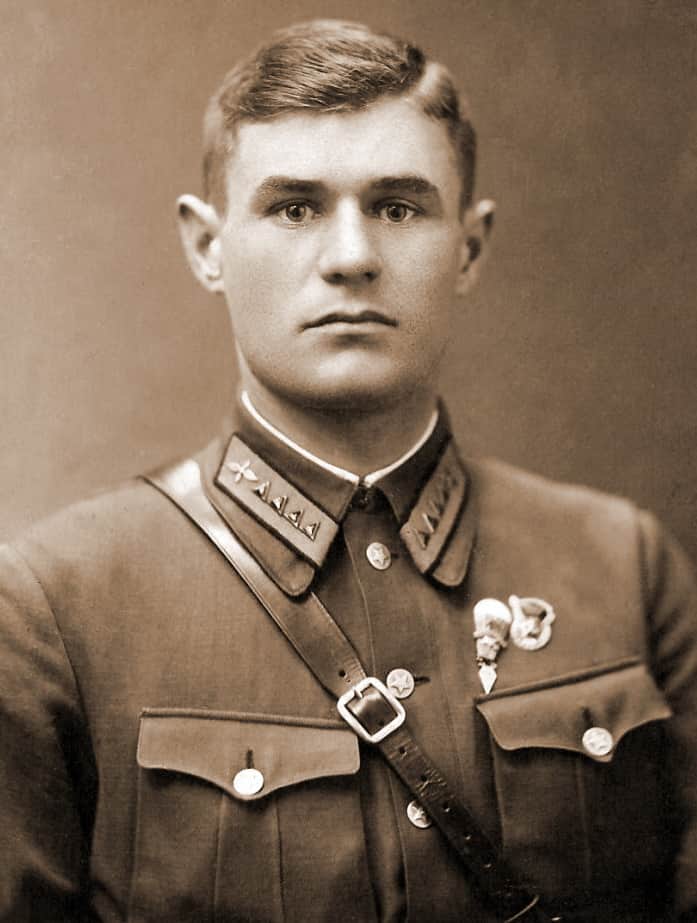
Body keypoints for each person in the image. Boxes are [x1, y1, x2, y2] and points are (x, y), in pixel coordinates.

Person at [0, 18, 695, 923]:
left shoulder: (622, 566)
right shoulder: (55, 607)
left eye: (397, 207)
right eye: (294, 208)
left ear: (469, 247)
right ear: (207, 247)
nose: (351, 257)